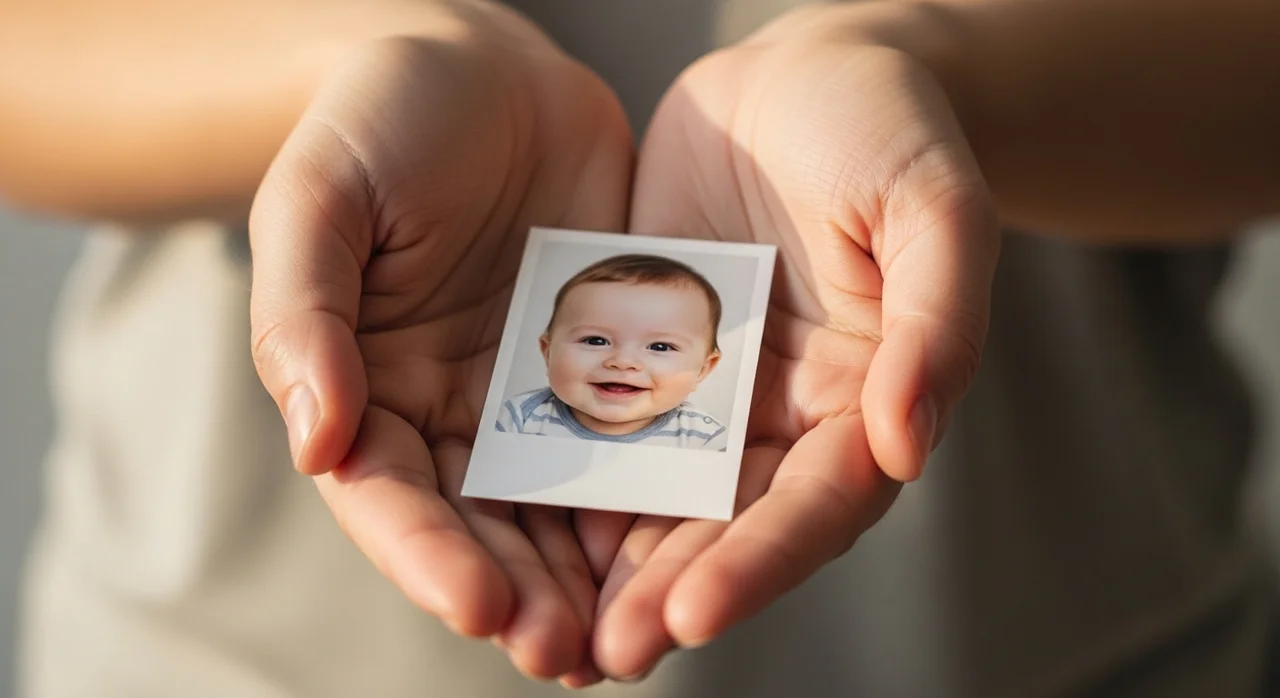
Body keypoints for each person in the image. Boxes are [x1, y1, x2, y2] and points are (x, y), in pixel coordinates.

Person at [1, 0, 1278, 696]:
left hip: (1057, 637)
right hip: (232, 652)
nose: (618, 366)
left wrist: (936, 62)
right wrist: (349, 65)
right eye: (596, 338)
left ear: (708, 366)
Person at [496, 253, 728, 450]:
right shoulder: (519, 418)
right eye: (596, 341)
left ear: (702, 369)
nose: (622, 362)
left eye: (660, 347)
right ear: (548, 353)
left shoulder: (705, 438)